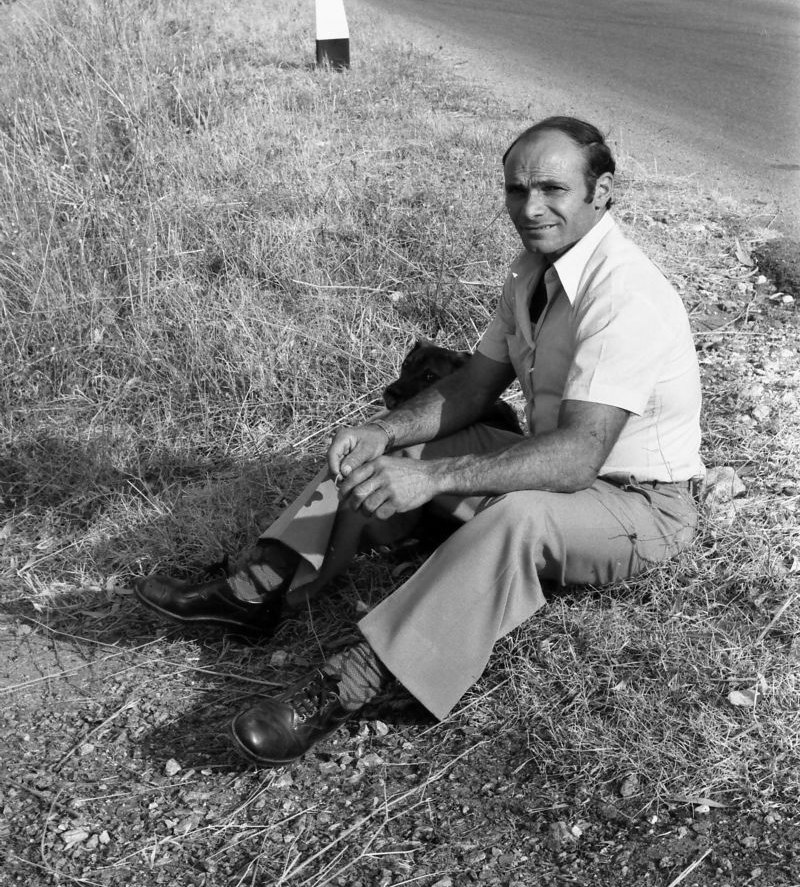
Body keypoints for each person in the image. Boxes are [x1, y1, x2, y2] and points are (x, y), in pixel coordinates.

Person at [134, 116, 703, 767]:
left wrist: (435, 479)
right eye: (516, 190)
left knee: (521, 512)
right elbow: (471, 387)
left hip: (637, 507)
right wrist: (384, 431)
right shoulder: (531, 272)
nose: (530, 207)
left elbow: (577, 457)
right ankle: (260, 586)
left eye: (552, 188)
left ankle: (361, 678)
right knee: (386, 453)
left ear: (601, 191)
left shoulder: (625, 294)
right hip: (558, 474)